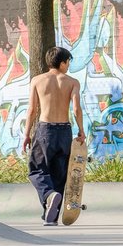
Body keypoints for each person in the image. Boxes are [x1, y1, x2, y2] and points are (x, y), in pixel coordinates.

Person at [22, 46, 86, 226]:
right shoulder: (72, 82)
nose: (69, 65)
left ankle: (49, 197)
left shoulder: (37, 80)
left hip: (45, 130)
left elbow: (32, 110)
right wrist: (81, 130)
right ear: (63, 62)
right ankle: (50, 217)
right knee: (59, 174)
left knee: (37, 170)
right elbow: (76, 109)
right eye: (68, 62)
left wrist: (27, 134)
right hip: (65, 131)